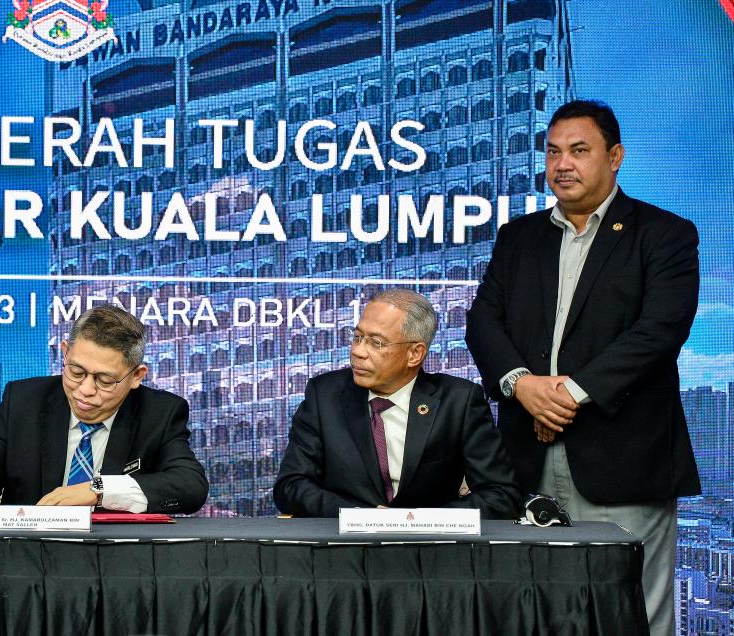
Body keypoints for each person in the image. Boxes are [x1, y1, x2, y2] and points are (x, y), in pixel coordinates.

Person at [465, 99, 699, 635]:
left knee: (635, 612)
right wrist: (521, 387)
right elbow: (484, 323)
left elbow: (658, 332)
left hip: (624, 462)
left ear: (615, 157)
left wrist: (566, 394)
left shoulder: (664, 234)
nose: (562, 164)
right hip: (527, 457)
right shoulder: (518, 237)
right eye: (552, 152)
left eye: (578, 150)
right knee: (534, 613)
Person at [273, 290, 520, 519]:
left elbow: (500, 495)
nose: (358, 351)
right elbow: (291, 486)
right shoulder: (324, 395)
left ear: (415, 353)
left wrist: (415, 521)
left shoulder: (458, 401)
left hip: (432, 552)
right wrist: (358, 516)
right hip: (343, 550)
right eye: (357, 337)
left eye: (376, 343)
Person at [0, 305, 208, 514]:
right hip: (28, 559)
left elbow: (190, 486)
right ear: (65, 353)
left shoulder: (160, 413)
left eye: (105, 380)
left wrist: (99, 490)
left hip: (118, 564)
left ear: (136, 376)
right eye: (76, 371)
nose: (85, 389)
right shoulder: (24, 401)